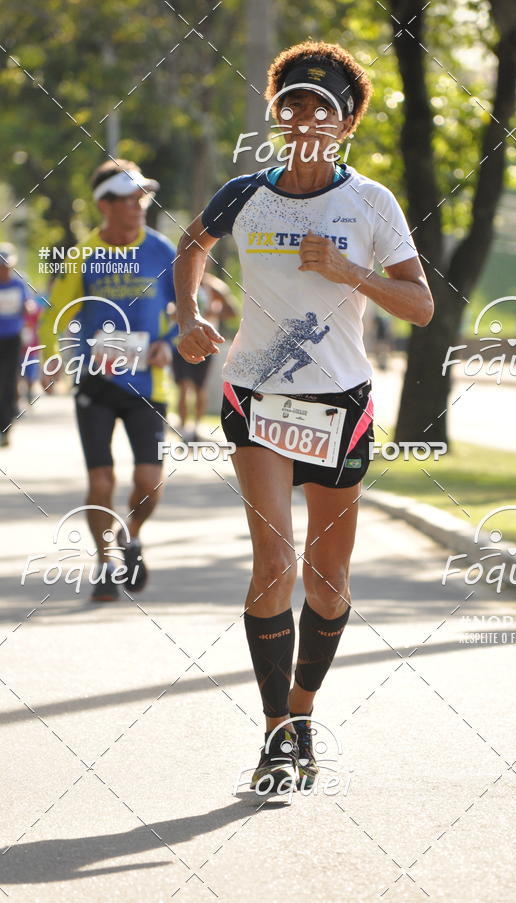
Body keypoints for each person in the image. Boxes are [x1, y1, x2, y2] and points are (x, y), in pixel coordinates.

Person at [175, 42, 434, 792]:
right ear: (278, 116)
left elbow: (420, 306)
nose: (306, 117)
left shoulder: (371, 203)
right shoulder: (244, 194)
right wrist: (188, 314)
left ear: (346, 123)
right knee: (274, 563)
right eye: (292, 104)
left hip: (339, 402)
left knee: (326, 580)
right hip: (255, 396)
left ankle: (303, 709)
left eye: (323, 107)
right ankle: (275, 734)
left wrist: (351, 270)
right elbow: (192, 245)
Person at [38, 159, 177, 602]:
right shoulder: (83, 254)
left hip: (149, 386)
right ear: (105, 205)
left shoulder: (161, 251)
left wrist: (169, 341)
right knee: (101, 482)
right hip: (95, 383)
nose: (140, 205)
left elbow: (186, 310)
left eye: (142, 198)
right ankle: (104, 564)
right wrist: (53, 358)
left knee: (149, 482)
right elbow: (55, 316)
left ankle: (129, 534)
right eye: (130, 199)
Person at [172, 271, 236, 441]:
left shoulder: (214, 286)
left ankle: (196, 428)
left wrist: (214, 311)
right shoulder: (180, 281)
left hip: (205, 344)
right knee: (183, 386)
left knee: (200, 388)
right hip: (182, 341)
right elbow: (167, 308)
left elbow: (232, 312)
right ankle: (183, 429)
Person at [0, 243, 29, 448]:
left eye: (6, 266)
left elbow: (28, 306)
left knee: (8, 382)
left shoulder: (18, 284)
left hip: (12, 339)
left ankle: (5, 428)